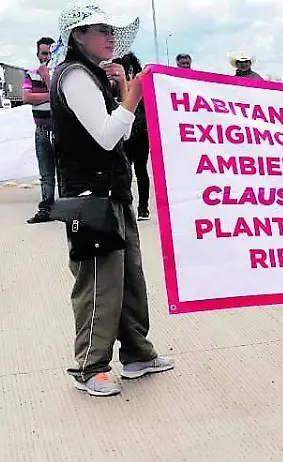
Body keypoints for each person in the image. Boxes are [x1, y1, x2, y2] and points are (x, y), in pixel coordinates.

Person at [51, 1, 174, 397]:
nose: (109, 36)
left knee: (128, 278)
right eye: (100, 30)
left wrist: (123, 91)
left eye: (110, 30)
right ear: (78, 36)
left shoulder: (93, 75)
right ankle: (90, 365)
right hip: (90, 198)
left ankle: (137, 353)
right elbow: (106, 136)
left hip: (111, 192)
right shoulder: (74, 76)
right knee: (98, 283)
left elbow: (122, 135)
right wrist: (133, 95)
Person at [112, 51, 151, 220]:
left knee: (137, 170)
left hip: (139, 130)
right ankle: (132, 206)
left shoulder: (141, 84)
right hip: (127, 131)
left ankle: (141, 207)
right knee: (127, 171)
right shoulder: (116, 84)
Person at [23, 37, 56, 224]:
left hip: (59, 129)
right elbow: (27, 98)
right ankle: (46, 209)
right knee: (46, 173)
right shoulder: (31, 74)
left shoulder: (60, 72)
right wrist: (50, 95)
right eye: (44, 53)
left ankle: (66, 208)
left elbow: (61, 96)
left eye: (50, 53)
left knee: (64, 172)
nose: (47, 57)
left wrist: (47, 78)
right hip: (42, 128)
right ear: (37, 54)